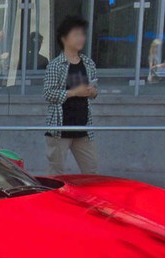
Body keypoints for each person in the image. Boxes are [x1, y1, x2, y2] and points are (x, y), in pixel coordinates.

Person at [43, 16, 98, 175]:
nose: (81, 39)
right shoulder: (55, 65)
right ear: (64, 38)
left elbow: (94, 89)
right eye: (76, 34)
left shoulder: (88, 63)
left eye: (82, 34)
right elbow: (48, 93)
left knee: (92, 170)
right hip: (60, 126)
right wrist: (74, 92)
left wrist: (92, 92)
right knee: (56, 172)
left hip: (83, 127)